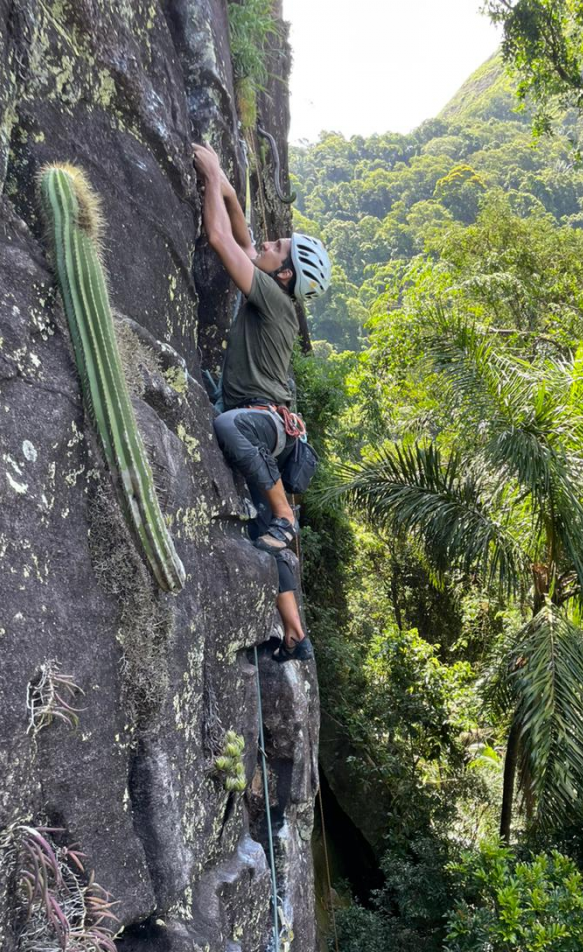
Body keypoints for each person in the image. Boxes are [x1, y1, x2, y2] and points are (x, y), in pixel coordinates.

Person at [192, 141, 331, 662]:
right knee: (262, 537)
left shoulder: (270, 298)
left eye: (277, 247)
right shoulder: (277, 289)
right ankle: (296, 633)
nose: (267, 243)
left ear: (285, 274)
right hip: (279, 428)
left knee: (229, 428)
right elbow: (242, 229)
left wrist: (209, 176)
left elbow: (220, 238)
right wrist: (225, 182)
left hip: (265, 425)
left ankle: (283, 514)